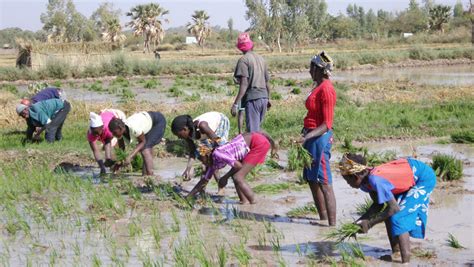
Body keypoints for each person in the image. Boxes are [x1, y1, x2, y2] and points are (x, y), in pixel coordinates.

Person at [338, 153, 436, 264]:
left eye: (347, 181)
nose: (348, 184)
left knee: (399, 217)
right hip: (407, 174)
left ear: (355, 177)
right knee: (389, 216)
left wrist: (370, 223)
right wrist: (361, 220)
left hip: (422, 177)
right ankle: (396, 252)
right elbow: (378, 204)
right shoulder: (365, 182)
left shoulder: (375, 180)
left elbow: (393, 209)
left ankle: (406, 261)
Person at [186, 132, 276, 204]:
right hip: (248, 144)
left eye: (202, 159)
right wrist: (188, 197)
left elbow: (238, 166)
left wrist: (225, 177)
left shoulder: (218, 154)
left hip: (257, 143)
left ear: (207, 155)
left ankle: (254, 203)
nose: (202, 162)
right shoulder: (212, 164)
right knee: (236, 176)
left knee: (238, 177)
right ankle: (244, 201)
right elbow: (203, 181)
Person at [300, 51, 337, 226]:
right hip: (310, 136)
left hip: (319, 139)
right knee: (311, 179)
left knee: (324, 182)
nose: (309, 71)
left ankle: (332, 226)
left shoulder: (327, 90)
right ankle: (322, 219)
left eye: (312, 68)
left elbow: (327, 124)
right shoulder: (317, 86)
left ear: (320, 70)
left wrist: (308, 136)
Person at [171, 112, 230, 182]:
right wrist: (188, 169)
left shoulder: (202, 126)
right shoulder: (187, 135)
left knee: (215, 156)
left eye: (179, 135)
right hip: (205, 135)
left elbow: (218, 141)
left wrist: (213, 154)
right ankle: (207, 184)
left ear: (184, 129)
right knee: (205, 159)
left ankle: (221, 185)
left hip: (220, 123)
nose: (179, 138)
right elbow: (192, 152)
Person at [232, 32, 271, 133]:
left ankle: (267, 146)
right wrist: (268, 99)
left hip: (253, 99)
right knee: (256, 130)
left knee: (253, 134)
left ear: (240, 48)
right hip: (264, 98)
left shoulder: (243, 60)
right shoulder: (261, 59)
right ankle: (268, 145)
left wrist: (235, 104)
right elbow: (267, 83)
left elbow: (244, 84)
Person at [108, 111, 166, 176]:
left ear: (121, 128)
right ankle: (145, 175)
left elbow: (142, 142)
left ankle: (150, 176)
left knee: (145, 149)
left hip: (157, 122)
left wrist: (130, 156)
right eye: (112, 133)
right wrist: (120, 162)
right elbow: (122, 149)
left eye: (114, 132)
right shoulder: (121, 133)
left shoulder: (133, 127)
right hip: (147, 122)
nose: (113, 134)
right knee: (146, 148)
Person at [87, 109, 126, 175]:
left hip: (118, 116)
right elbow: (95, 150)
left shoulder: (108, 129)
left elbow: (108, 141)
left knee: (117, 142)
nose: (95, 135)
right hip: (106, 117)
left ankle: (121, 162)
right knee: (108, 148)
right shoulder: (91, 134)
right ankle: (113, 164)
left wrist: (109, 158)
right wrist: (102, 167)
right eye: (94, 133)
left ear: (102, 128)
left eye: (97, 133)